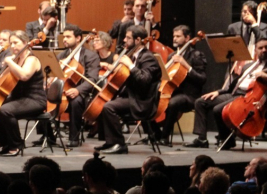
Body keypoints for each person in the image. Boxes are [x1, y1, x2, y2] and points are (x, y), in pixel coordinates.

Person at [186, 36, 267, 149]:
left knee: (218, 109)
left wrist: (265, 76)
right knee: (201, 102)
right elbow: (234, 84)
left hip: (246, 97)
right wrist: (218, 92)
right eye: (261, 48)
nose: (264, 50)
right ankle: (202, 139)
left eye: (266, 47)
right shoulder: (248, 66)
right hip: (234, 93)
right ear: (255, 50)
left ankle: (227, 140)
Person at [96, 25, 161, 154]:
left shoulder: (148, 58)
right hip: (131, 96)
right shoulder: (131, 55)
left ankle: (120, 144)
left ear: (138, 40)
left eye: (128, 38)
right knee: (102, 103)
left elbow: (144, 80)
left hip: (142, 101)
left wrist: (130, 66)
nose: (124, 40)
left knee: (109, 107)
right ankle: (111, 142)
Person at [0, 30, 47, 157]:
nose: (12, 46)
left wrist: (10, 63)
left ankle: (16, 145)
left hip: (35, 100)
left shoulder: (31, 59)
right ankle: (6, 144)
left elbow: (24, 76)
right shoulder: (16, 59)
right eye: (11, 43)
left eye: (16, 42)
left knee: (5, 110)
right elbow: (5, 79)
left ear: (25, 43)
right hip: (20, 99)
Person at [48, 24, 99, 147]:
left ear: (78, 38)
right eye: (63, 36)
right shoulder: (62, 55)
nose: (64, 39)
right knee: (41, 97)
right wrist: (50, 80)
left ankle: (74, 137)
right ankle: (47, 136)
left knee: (75, 101)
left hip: (84, 93)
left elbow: (92, 79)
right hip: (63, 89)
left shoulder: (90, 56)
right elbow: (54, 74)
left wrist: (78, 90)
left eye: (68, 37)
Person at [157, 25, 207, 143]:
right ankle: (154, 133)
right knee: (148, 100)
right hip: (174, 91)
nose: (174, 39)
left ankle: (164, 137)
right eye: (174, 36)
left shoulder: (196, 55)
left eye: (178, 36)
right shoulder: (171, 56)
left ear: (187, 38)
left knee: (173, 103)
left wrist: (186, 65)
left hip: (190, 95)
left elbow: (202, 79)